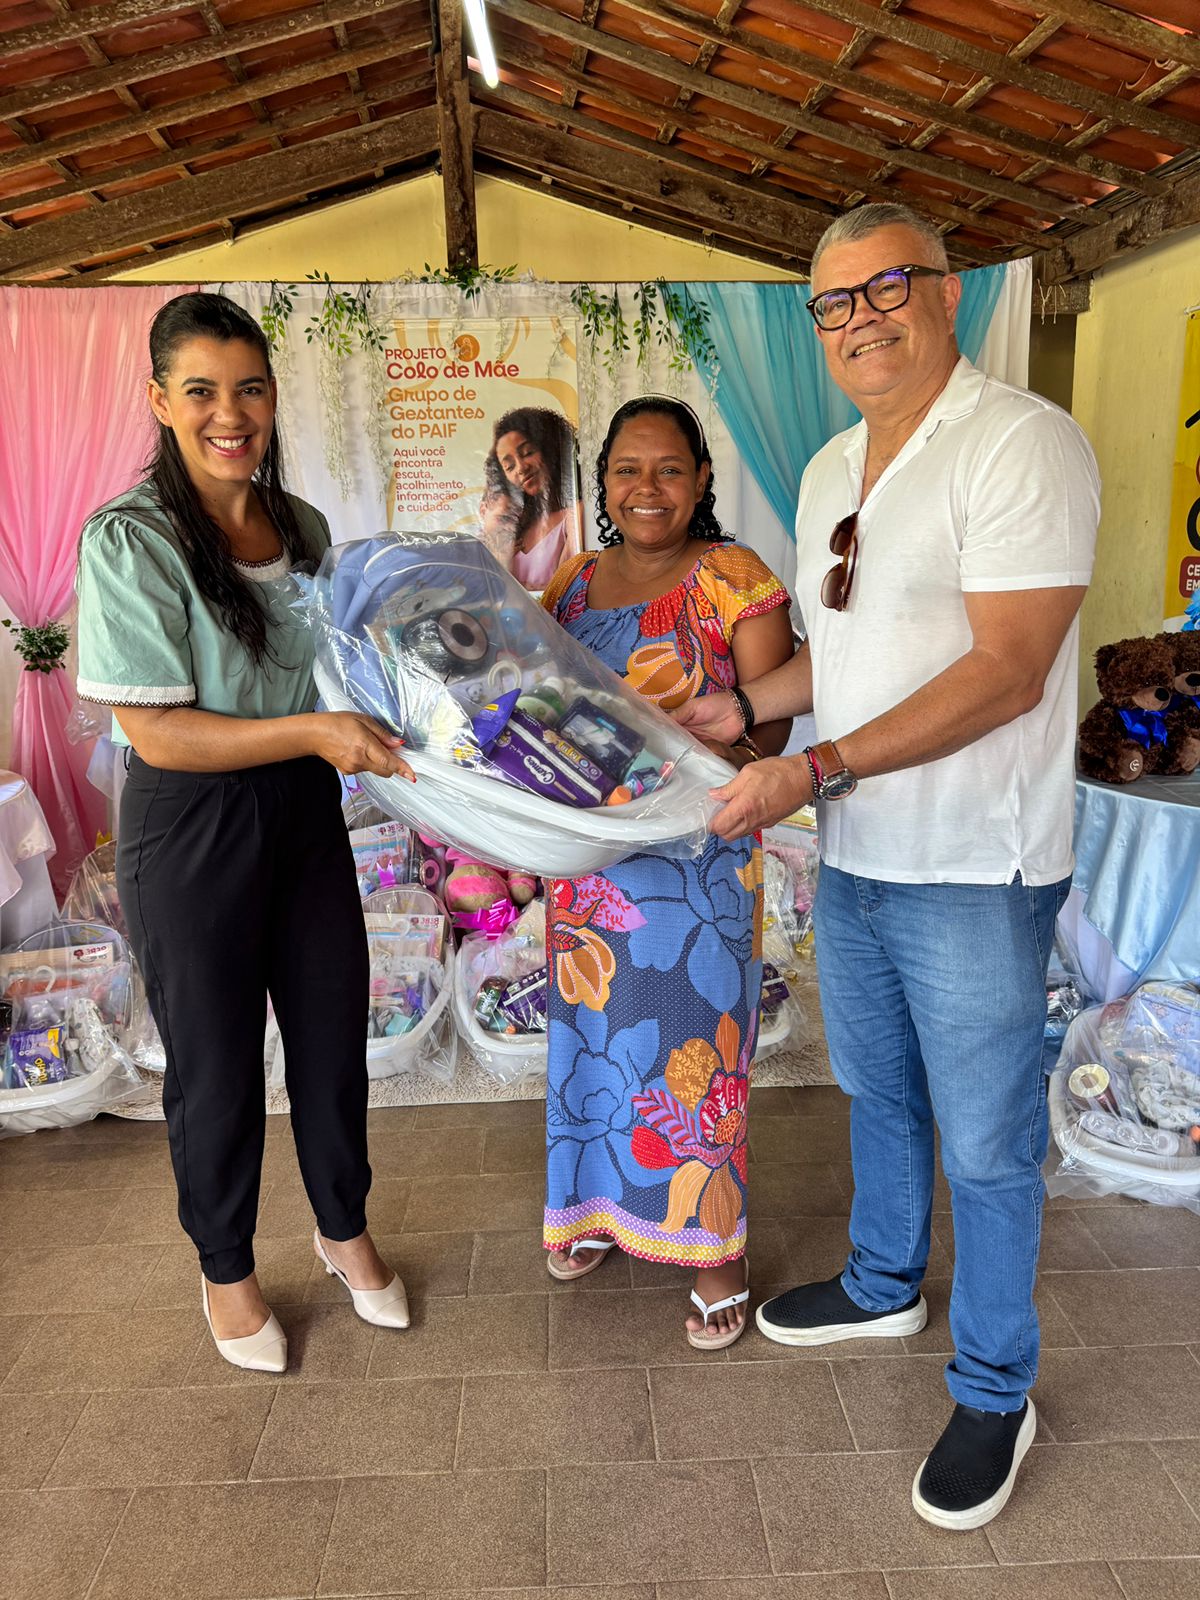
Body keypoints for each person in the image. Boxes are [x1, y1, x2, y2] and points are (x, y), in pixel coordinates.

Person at [677, 203, 1099, 1523]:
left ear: (949, 293)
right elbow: (847, 661)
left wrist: (813, 767)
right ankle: (879, 1283)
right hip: (857, 849)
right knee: (876, 1086)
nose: (861, 318)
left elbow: (1007, 671)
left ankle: (994, 1390)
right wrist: (743, 715)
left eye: (886, 288)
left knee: (985, 1140)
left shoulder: (1024, 444)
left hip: (978, 863)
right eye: (835, 303)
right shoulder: (825, 471)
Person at [74, 292, 413, 1374]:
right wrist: (316, 727)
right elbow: (157, 735)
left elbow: (342, 664)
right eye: (205, 392)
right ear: (160, 400)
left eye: (251, 389)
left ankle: (343, 1228)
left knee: (329, 1037)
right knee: (215, 1064)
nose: (233, 415)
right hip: (191, 824)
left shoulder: (300, 527)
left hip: (303, 814)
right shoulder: (130, 539)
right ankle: (226, 1268)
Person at [539, 395, 795, 1349]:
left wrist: (691, 768)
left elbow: (770, 727)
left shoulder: (734, 578)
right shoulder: (568, 584)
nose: (648, 488)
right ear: (602, 481)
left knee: (698, 1054)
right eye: (628, 470)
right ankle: (601, 1213)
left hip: (700, 864)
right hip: (594, 867)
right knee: (600, 1047)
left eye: (670, 469)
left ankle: (713, 1253)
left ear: (700, 481)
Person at [488, 406, 582, 588]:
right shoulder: (516, 525)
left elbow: (564, 592)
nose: (521, 468)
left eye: (528, 453)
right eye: (509, 466)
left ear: (551, 449)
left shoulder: (576, 515)